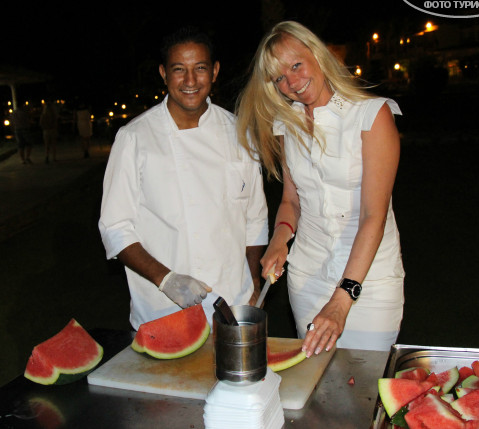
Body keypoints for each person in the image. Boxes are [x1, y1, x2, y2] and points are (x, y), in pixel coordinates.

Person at [236, 21, 404, 354]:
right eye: (279, 78)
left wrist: (342, 299)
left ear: (317, 54)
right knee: (318, 378)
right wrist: (279, 241)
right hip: (307, 276)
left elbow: (373, 215)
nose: (292, 83)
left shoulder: (372, 115)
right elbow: (292, 201)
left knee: (365, 379)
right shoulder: (288, 123)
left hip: (369, 280)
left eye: (296, 65)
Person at [98, 26, 269, 329]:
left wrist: (254, 281)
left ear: (214, 71)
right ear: (164, 73)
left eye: (200, 68)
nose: (190, 81)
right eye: (179, 69)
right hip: (163, 308)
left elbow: (254, 218)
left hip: (233, 302)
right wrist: (166, 279)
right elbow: (115, 227)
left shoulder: (240, 133)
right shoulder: (135, 137)